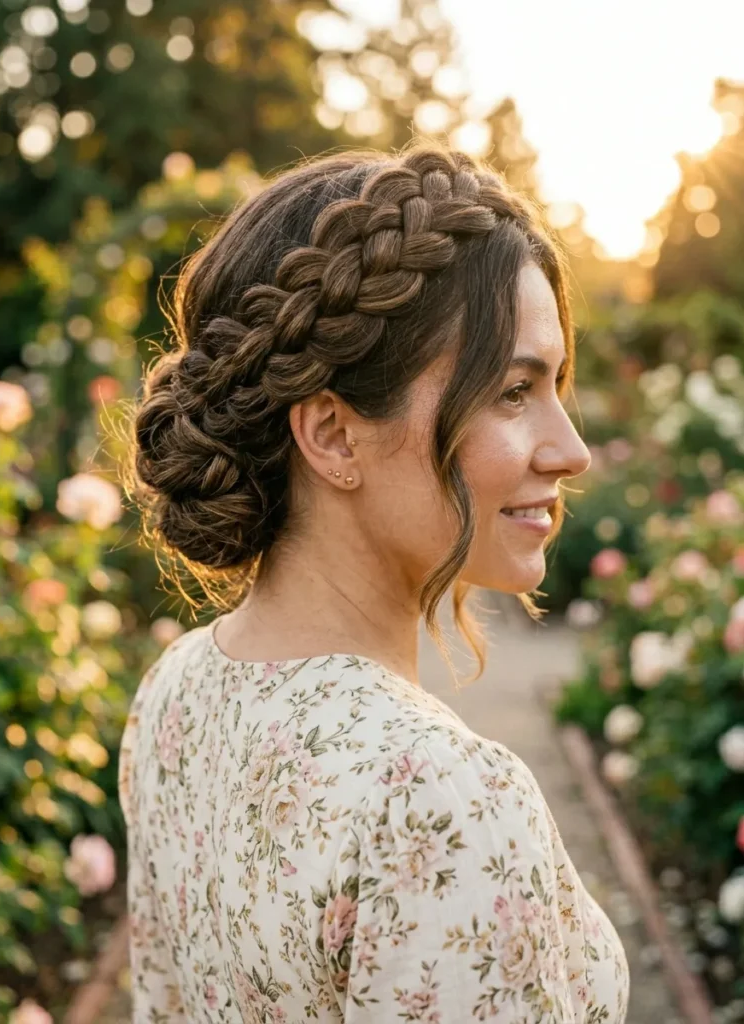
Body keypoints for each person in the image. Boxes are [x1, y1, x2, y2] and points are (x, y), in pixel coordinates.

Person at [118, 142, 629, 1023]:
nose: (570, 449)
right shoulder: (439, 798)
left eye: (556, 386)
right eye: (511, 392)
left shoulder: (174, 693)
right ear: (332, 435)